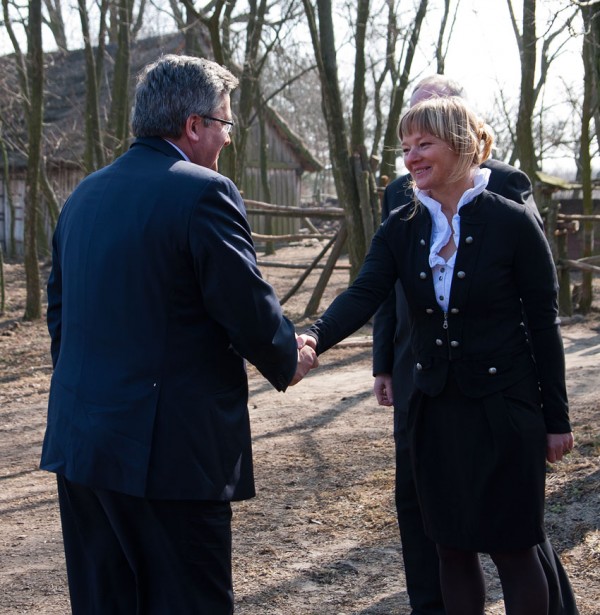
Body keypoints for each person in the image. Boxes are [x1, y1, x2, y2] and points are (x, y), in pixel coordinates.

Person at [41, 54, 316, 615]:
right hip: (168, 457)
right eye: (226, 124)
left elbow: (61, 319)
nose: (228, 139)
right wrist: (287, 357)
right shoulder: (203, 192)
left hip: (82, 446)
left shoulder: (83, 197)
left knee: (105, 603)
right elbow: (245, 305)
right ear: (194, 125)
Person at [299, 95, 574, 615]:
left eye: (423, 144)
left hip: (506, 409)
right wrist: (314, 337)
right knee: (450, 548)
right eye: (406, 148)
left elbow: (544, 325)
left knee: (515, 549)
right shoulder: (401, 226)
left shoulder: (514, 222)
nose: (411, 158)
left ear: (462, 144)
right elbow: (364, 292)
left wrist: (556, 420)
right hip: (433, 409)